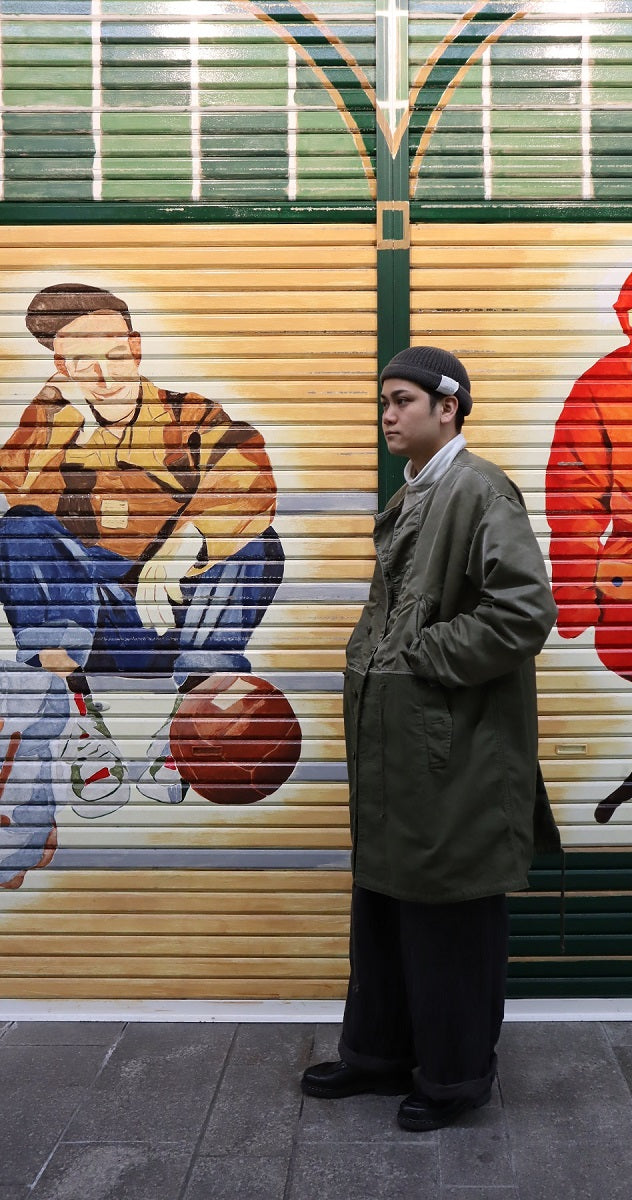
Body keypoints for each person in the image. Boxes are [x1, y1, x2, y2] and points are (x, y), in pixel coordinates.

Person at [301, 345, 560, 1131]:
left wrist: (420, 658)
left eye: (403, 399)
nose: (388, 413)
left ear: (449, 407)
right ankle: (379, 1056)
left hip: (456, 754)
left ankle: (452, 1079)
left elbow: (523, 611)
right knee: (385, 904)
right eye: (384, 400)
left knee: (448, 914)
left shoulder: (478, 490)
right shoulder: (417, 491)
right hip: (400, 754)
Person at [0, 283, 283, 814]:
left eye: (112, 355)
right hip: (92, 621)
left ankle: (194, 720)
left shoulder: (192, 416)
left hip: (184, 616)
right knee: (19, 529)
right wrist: (57, 421)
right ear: (61, 365)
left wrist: (189, 541)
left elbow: (252, 480)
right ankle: (73, 710)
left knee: (258, 544)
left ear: (135, 347)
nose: (102, 377)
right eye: (82, 362)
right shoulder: (52, 425)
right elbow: (18, 490)